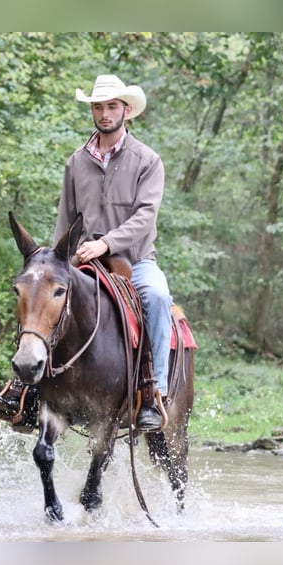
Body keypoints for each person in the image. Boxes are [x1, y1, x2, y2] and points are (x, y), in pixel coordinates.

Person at [54, 74, 173, 431]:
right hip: (84, 262)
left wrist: (106, 243)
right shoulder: (76, 163)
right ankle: (27, 388)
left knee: (157, 296)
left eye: (111, 106)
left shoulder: (147, 161)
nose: (104, 113)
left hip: (134, 261)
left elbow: (145, 217)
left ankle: (153, 393)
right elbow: (66, 219)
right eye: (98, 107)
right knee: (42, 295)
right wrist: (57, 260)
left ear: (126, 111)